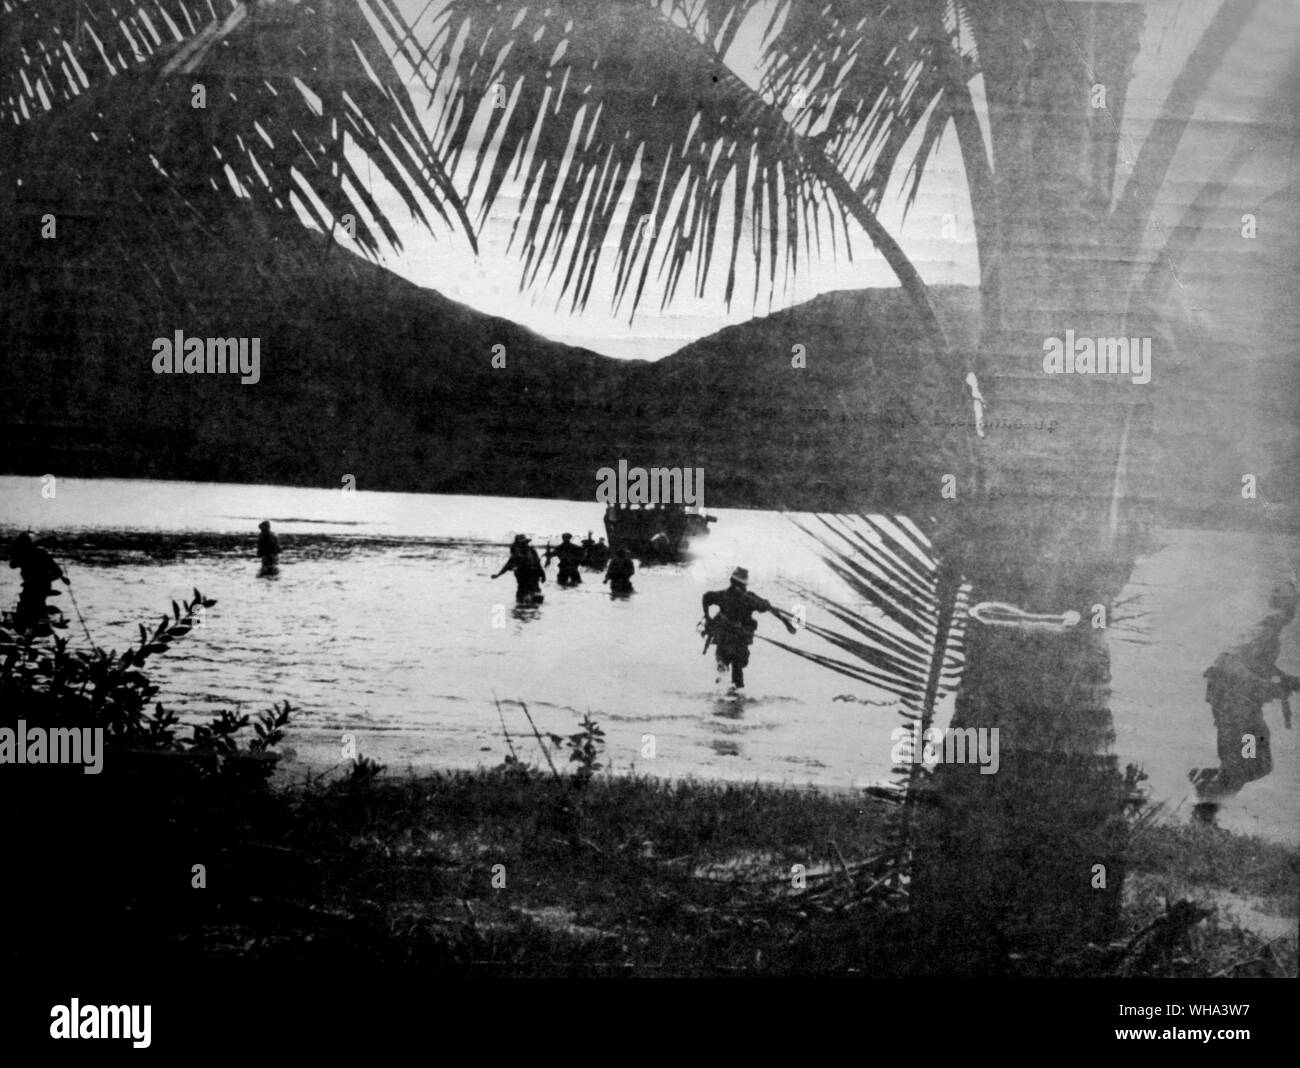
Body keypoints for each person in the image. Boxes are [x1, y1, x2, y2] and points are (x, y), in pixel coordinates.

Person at [1191, 582, 1299, 808]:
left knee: (1254, 763)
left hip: (1245, 710)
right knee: (1246, 764)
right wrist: (1266, 686)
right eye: (1289, 605)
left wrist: (1283, 677)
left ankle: (1207, 785)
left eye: (1293, 605)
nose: (1291, 611)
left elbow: (1255, 663)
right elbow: (1229, 661)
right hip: (1235, 709)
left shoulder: (1269, 632)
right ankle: (1204, 814)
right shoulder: (1263, 632)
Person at [701, 566, 796, 692]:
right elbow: (768, 608)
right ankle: (734, 691)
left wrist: (707, 617)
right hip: (739, 640)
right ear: (743, 585)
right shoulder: (749, 599)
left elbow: (706, 597)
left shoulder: (722, 595)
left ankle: (722, 688)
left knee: (723, 662)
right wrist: (786, 623)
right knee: (738, 665)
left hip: (724, 638)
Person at [8, 533, 67, 631]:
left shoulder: (23, 555)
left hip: (31, 586)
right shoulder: (41, 553)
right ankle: (40, 627)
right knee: (35, 606)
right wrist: (48, 579)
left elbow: (12, 565)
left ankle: (33, 628)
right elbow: (58, 572)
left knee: (29, 607)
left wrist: (15, 553)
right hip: (43, 586)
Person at [493, 534, 546, 603]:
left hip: (534, 577)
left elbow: (538, 564)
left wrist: (543, 575)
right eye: (521, 543)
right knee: (522, 598)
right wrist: (498, 575)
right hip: (522, 578)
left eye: (525, 543)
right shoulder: (516, 554)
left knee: (537, 597)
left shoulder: (532, 551)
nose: (524, 545)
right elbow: (507, 565)